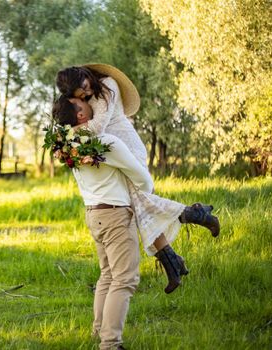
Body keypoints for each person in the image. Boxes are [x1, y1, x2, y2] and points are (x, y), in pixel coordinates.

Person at [54, 64, 220, 294]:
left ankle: (195, 220)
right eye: (80, 96)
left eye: (85, 88)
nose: (87, 94)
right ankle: (175, 259)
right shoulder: (86, 94)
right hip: (112, 154)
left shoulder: (107, 85)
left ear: (85, 75)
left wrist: (66, 137)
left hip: (126, 148)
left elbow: (99, 126)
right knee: (142, 209)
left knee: (142, 205)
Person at [52, 96, 151, 349]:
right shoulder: (107, 143)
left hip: (93, 214)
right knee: (125, 279)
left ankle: (99, 332)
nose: (92, 104)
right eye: (84, 103)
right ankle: (110, 343)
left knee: (107, 275)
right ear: (81, 116)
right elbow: (143, 179)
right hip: (115, 215)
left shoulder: (69, 148)